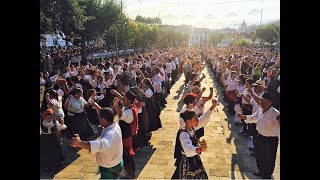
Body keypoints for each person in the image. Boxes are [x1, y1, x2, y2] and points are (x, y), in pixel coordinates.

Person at [71, 107, 124, 179]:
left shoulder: (109, 135)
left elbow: (100, 145)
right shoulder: (115, 124)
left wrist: (79, 143)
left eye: (99, 117)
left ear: (104, 120)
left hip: (110, 168)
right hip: (117, 161)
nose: (98, 119)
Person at [237, 92, 280, 179]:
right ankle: (261, 171)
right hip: (260, 137)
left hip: (271, 140)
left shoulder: (276, 113)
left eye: (263, 101)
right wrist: (243, 117)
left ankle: (267, 174)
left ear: (270, 102)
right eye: (261, 100)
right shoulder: (260, 110)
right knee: (259, 155)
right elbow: (253, 118)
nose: (261, 102)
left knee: (269, 158)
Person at [172, 99, 218, 179]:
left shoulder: (192, 127)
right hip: (187, 160)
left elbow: (203, 119)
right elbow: (187, 148)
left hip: (194, 158)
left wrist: (212, 107)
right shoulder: (184, 134)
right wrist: (200, 149)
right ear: (189, 121)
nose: (198, 120)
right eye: (196, 119)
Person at [111, 90, 138, 178]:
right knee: (126, 155)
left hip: (126, 136)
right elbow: (123, 98)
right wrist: (117, 93)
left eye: (124, 99)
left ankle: (130, 174)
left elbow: (121, 115)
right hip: (125, 134)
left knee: (127, 155)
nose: (122, 100)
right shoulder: (129, 105)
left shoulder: (129, 112)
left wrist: (115, 105)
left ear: (129, 101)